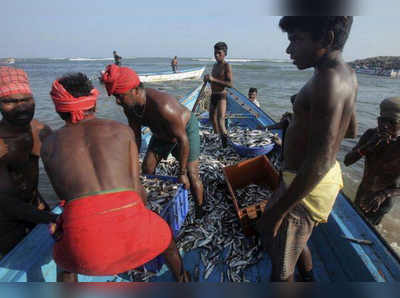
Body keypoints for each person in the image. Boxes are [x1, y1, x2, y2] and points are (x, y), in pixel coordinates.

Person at [42, 72, 188, 282]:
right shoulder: (122, 131)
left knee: (64, 265)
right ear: (94, 101)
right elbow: (138, 190)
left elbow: (66, 201)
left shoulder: (48, 145)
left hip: (86, 253)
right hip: (134, 231)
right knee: (166, 239)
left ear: (58, 108)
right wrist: (139, 221)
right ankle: (182, 278)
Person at [257, 17, 358, 282]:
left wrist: (279, 211)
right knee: (296, 246)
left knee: (280, 272)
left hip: (304, 188)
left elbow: (321, 160)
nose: (289, 50)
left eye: (296, 40)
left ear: (326, 39)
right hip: (313, 181)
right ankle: (310, 277)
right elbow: (350, 130)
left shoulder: (328, 81)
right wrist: (299, 118)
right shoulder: (346, 73)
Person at [102, 65, 204, 219]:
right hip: (161, 133)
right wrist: (131, 166)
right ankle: (155, 203)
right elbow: (135, 137)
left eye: (120, 96)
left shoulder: (163, 105)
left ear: (135, 90)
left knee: (191, 174)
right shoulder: (129, 107)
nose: (117, 101)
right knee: (147, 168)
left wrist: (181, 172)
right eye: (115, 96)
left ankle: (199, 211)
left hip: (185, 130)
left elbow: (183, 139)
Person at [0, 66, 57, 257]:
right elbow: (4, 201)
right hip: (4, 218)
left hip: (34, 204)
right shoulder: (1, 144)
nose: (22, 107)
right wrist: (50, 217)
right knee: (11, 262)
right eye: (10, 101)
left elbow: (59, 176)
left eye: (26, 100)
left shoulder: (41, 130)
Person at [344, 97, 400, 226]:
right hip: (362, 192)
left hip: (381, 200)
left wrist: (385, 194)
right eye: (382, 120)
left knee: (366, 229)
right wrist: (369, 145)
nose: (385, 125)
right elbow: (347, 161)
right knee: (354, 223)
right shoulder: (371, 135)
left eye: (392, 122)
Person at [204, 42, 234, 147]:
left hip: (221, 95)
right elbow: (214, 81)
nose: (216, 55)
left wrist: (213, 79)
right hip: (213, 95)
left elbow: (230, 84)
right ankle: (217, 136)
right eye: (215, 53)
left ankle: (225, 145)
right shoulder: (214, 65)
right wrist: (208, 80)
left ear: (225, 54)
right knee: (212, 118)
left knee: (220, 120)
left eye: (219, 53)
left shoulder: (227, 66)